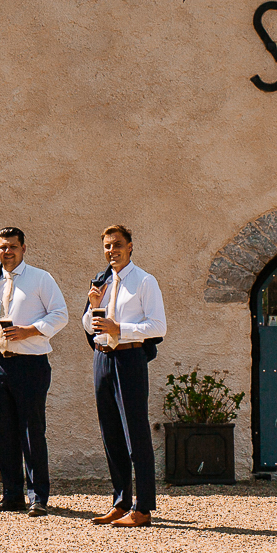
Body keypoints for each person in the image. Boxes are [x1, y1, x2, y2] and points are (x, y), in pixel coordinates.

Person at [0, 226, 68, 515]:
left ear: (24, 248)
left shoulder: (40, 278)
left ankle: (38, 497)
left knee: (31, 430)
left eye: (12, 246)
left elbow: (60, 314)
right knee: (3, 432)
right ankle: (11, 495)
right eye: (2, 247)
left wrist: (29, 331)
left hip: (29, 364)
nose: (7, 251)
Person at [82, 224, 168, 528]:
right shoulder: (101, 281)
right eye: (106, 246)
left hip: (130, 358)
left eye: (117, 245)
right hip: (102, 359)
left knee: (136, 434)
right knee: (111, 434)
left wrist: (122, 330)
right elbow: (88, 323)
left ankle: (142, 508)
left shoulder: (145, 281)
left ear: (130, 247)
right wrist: (94, 308)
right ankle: (120, 503)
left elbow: (158, 326)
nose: (111, 251)